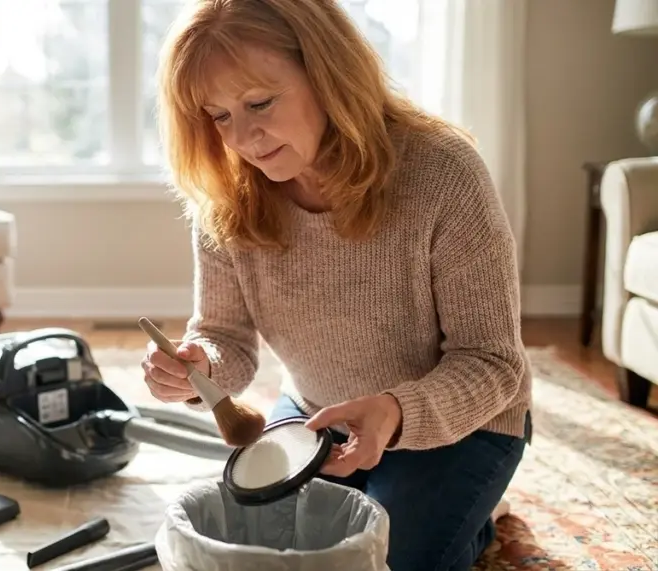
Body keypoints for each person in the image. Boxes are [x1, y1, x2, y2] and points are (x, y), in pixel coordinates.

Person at [140, 1, 533, 570]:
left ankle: (472, 519)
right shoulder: (228, 196)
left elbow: (494, 362)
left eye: (259, 103)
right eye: (219, 116)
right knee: (262, 548)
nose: (244, 137)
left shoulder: (443, 172)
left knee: (380, 560)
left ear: (326, 70)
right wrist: (197, 368)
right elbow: (225, 337)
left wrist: (397, 412)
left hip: (463, 426)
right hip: (316, 413)